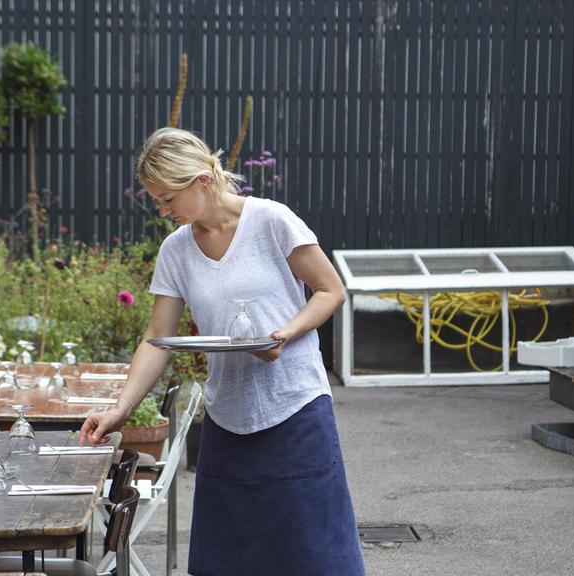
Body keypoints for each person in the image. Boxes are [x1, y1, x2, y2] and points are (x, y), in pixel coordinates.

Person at [79, 127, 366, 575]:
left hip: (296, 411)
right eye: (156, 200)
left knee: (313, 556)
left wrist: (286, 333)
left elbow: (330, 291)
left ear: (202, 181)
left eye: (167, 198)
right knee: (228, 560)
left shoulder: (272, 222)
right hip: (227, 423)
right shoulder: (175, 251)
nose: (162, 210)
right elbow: (157, 338)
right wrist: (122, 409)